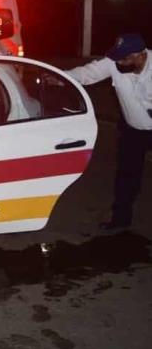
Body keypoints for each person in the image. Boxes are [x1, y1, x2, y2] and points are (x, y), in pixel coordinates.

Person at [66, 33, 152, 231]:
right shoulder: (115, 63)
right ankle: (120, 219)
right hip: (133, 129)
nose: (120, 62)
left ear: (140, 55)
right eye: (118, 57)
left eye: (125, 58)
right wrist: (57, 76)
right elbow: (86, 74)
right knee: (126, 177)